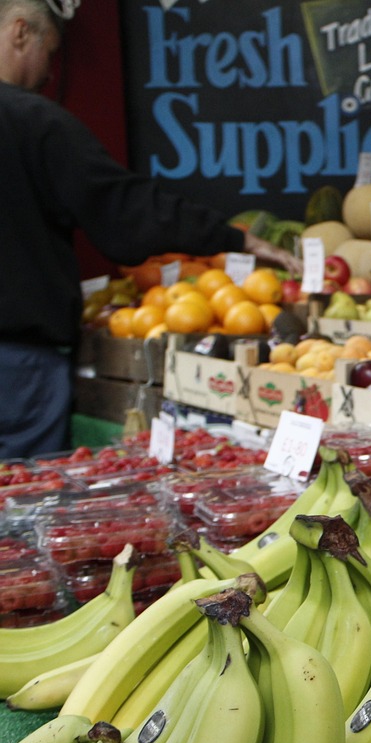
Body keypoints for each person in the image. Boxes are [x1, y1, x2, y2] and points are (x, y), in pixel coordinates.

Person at [0, 0, 301, 458]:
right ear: (20, 32)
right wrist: (235, 238)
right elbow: (127, 213)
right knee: (24, 508)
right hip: (18, 363)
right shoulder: (34, 122)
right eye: (49, 50)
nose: (48, 73)